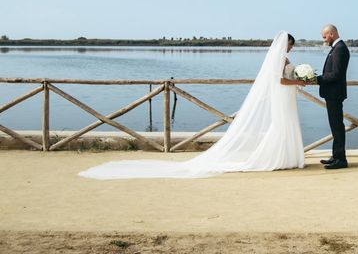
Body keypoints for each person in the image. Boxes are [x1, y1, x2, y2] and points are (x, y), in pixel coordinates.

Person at [78, 31, 305, 179]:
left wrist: (298, 81)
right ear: (285, 44)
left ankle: (285, 156)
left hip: (285, 98)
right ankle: (278, 157)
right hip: (282, 97)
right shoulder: (278, 60)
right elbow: (280, 80)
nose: (291, 49)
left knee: (283, 126)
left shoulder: (282, 60)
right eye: (290, 45)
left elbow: (284, 79)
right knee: (280, 125)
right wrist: (298, 80)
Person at [315, 24, 350, 169]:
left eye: (324, 36)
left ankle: (341, 160)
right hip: (332, 93)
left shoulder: (340, 49)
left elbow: (336, 74)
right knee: (335, 126)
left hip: (335, 94)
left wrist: (317, 79)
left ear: (331, 34)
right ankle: (336, 156)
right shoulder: (336, 48)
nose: (323, 40)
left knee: (337, 127)